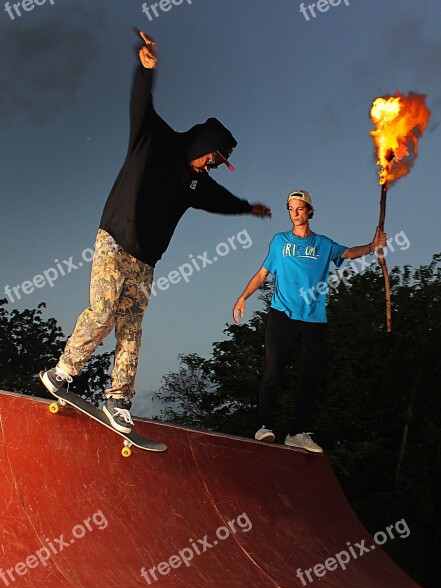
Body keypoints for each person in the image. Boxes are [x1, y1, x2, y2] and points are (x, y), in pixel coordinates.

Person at [41, 31, 271, 434]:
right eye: (213, 160)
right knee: (102, 314)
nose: (211, 168)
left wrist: (245, 208)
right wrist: (146, 71)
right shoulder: (154, 138)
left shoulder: (196, 183)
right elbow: (141, 106)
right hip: (114, 242)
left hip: (145, 262)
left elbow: (218, 198)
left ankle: (118, 400)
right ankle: (63, 372)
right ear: (205, 143)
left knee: (132, 330)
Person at [233, 189, 386, 453]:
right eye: (290, 208)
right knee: (273, 372)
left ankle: (297, 432)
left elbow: (348, 252)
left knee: (312, 377)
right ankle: (264, 426)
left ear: (310, 211)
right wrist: (243, 297)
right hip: (282, 316)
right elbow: (262, 273)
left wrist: (373, 247)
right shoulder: (280, 242)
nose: (294, 213)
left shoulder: (323, 244)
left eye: (300, 208)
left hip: (314, 320)